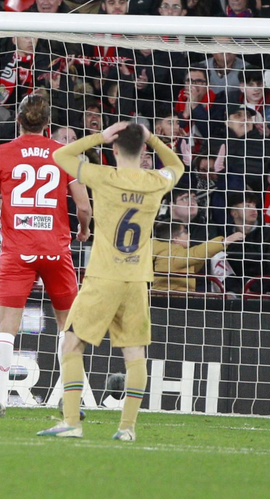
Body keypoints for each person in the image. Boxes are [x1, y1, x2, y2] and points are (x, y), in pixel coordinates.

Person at [39, 120, 183, 441]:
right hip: (137, 279)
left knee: (72, 344)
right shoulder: (156, 180)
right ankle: (127, 428)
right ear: (143, 149)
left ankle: (72, 422)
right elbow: (177, 165)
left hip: (104, 275)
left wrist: (98, 137)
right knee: (134, 355)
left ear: (114, 149)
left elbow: (61, 155)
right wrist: (154, 138)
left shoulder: (101, 176)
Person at [0, 94, 90, 418]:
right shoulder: (65, 154)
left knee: (6, 325)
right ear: (48, 125)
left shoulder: (2, 153)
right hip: (56, 250)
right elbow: (83, 207)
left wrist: (9, 213)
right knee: (68, 325)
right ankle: (69, 399)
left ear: (18, 120)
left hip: (18, 252)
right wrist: (82, 231)